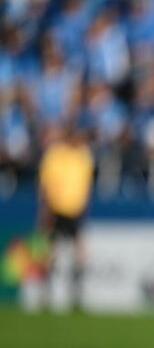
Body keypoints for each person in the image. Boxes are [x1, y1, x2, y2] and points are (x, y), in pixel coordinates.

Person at [36, 124, 94, 311]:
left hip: (75, 211)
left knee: (79, 253)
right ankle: (46, 294)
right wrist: (45, 210)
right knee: (51, 252)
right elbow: (45, 185)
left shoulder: (84, 156)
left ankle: (76, 294)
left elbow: (86, 185)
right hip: (56, 209)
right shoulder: (55, 155)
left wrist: (84, 207)